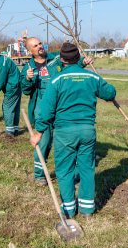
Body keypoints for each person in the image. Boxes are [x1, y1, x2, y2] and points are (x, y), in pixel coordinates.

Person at [31, 43, 115, 219]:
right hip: (87, 131)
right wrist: (100, 81)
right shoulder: (92, 77)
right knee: (86, 169)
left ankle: (69, 210)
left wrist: (38, 132)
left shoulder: (56, 80)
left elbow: (46, 111)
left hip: (64, 132)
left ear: (62, 60)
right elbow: (110, 93)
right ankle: (86, 210)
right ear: (79, 58)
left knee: (65, 170)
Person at [20, 37, 93, 186]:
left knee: (67, 140)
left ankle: (74, 174)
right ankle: (40, 175)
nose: (40, 47)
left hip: (61, 103)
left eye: (40, 43)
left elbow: (71, 66)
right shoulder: (28, 67)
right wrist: (27, 79)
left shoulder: (55, 58)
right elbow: (25, 90)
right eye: (35, 46)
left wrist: (83, 63)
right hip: (42, 106)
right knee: (44, 141)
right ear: (29, 51)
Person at [0, 47, 22, 136]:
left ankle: (9, 132)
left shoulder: (2, 63)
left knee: (7, 107)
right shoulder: (1, 59)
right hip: (16, 85)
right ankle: (15, 129)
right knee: (14, 108)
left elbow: (0, 82)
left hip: (13, 87)